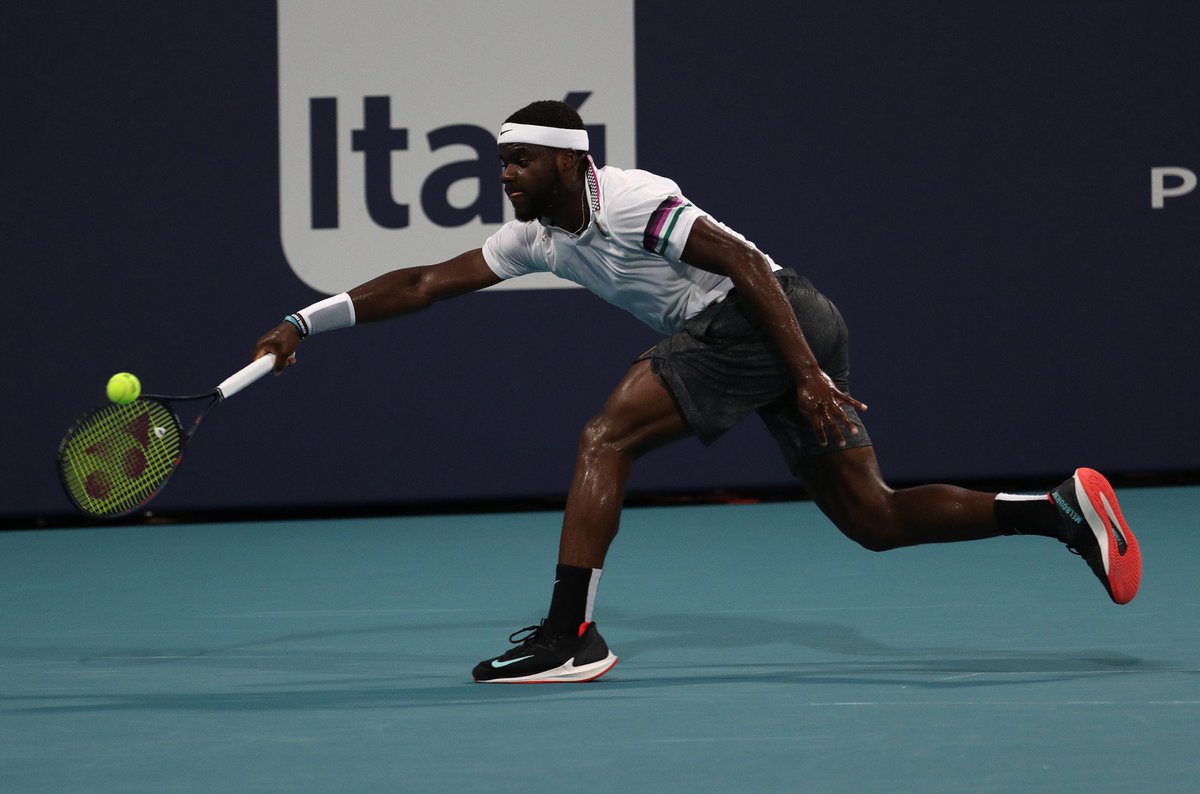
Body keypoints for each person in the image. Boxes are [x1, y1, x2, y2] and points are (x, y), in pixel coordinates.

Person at [253, 100, 1141, 684]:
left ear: (569, 162)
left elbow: (747, 265)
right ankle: (1057, 510)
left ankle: (572, 638)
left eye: (522, 162)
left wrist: (806, 377)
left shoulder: (634, 199)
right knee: (874, 519)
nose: (506, 175)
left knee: (606, 437)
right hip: (786, 331)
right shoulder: (538, 239)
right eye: (502, 164)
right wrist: (306, 320)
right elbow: (420, 284)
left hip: (768, 317)